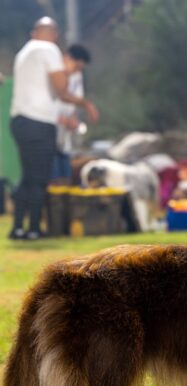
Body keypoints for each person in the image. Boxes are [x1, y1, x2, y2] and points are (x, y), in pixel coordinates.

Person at [8, 17, 99, 240]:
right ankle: (34, 229)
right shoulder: (49, 50)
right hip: (39, 122)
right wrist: (84, 102)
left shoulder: (23, 53)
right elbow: (61, 90)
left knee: (28, 177)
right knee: (39, 180)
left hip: (20, 121)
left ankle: (18, 227)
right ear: (54, 34)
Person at [52, 44, 92, 185]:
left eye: (80, 68)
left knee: (66, 174)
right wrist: (61, 120)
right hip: (49, 130)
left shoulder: (77, 76)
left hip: (64, 135)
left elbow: (75, 100)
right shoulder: (54, 72)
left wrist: (73, 120)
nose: (77, 70)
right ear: (67, 58)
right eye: (76, 66)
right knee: (53, 176)